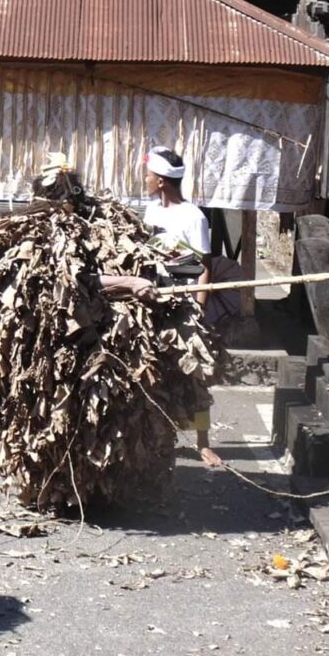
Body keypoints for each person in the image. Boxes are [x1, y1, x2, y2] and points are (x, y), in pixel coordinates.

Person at [141, 146, 221, 467]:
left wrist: (199, 309)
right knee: (154, 371)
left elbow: (203, 266)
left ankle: (203, 443)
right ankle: (155, 439)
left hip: (185, 304)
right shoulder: (151, 212)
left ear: (161, 181)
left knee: (194, 374)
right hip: (154, 301)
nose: (146, 180)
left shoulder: (193, 217)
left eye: (149, 176)